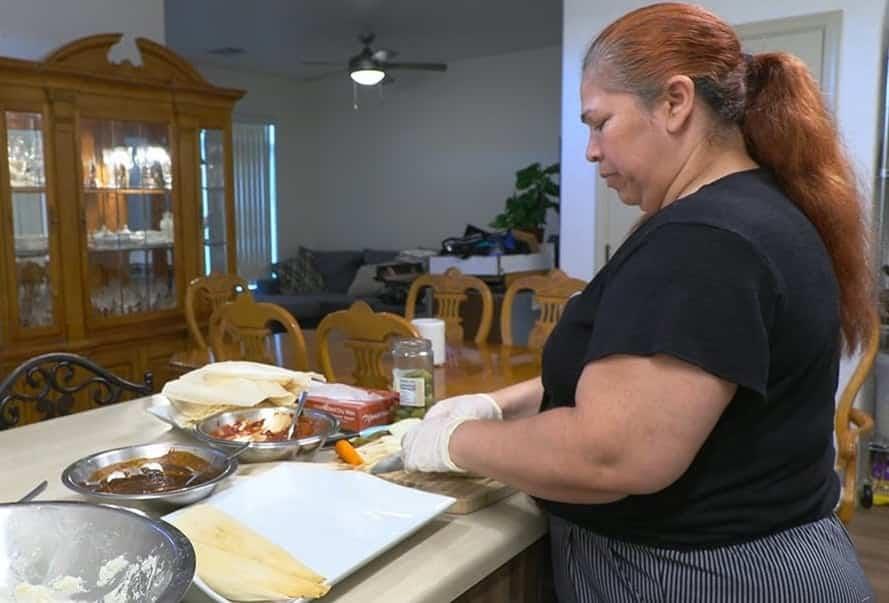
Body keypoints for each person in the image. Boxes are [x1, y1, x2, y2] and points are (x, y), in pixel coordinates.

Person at [400, 3, 876, 601]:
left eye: (600, 123)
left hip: (708, 579)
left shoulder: (705, 242)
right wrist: (499, 405)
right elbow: (635, 377)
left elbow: (610, 454)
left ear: (675, 102)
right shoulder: (748, 210)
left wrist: (452, 443)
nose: (591, 151)